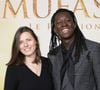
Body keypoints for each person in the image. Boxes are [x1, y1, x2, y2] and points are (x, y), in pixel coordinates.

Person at [48, 8, 100, 90]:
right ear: (55, 29)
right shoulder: (52, 55)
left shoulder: (93, 49)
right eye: (58, 22)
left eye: (68, 20)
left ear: (74, 24)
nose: (64, 24)